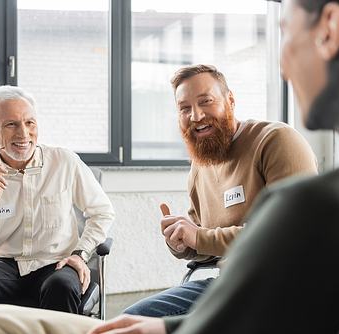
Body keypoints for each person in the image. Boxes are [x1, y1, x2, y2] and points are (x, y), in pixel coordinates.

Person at [0, 0, 339, 332]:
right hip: (225, 296)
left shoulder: (311, 202)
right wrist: (188, 245)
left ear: (330, 28)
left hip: (233, 304)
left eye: (285, 31)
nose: (282, 64)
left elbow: (264, 300)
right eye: (185, 107)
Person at [122, 64, 318, 317]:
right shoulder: (200, 166)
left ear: (230, 100)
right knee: (130, 323)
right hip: (233, 284)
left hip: (291, 289)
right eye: (184, 108)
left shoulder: (276, 141)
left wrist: (199, 237)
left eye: (206, 101)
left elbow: (288, 233)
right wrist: (182, 243)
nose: (196, 115)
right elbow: (206, 241)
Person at [0, 85, 115, 334]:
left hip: (55, 263)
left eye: (29, 122)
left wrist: (81, 253)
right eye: (11, 124)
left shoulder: (64, 162)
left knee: (62, 285)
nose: (23, 133)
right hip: (2, 266)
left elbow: (102, 212)